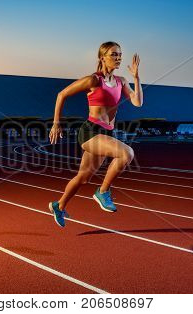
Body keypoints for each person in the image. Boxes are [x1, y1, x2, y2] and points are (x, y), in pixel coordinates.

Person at [48, 41, 143, 227]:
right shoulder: (93, 80)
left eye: (120, 54)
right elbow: (61, 94)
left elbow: (137, 102)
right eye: (113, 54)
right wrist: (55, 124)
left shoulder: (121, 81)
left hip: (106, 133)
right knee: (127, 153)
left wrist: (137, 78)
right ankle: (103, 191)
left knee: (83, 178)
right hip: (90, 132)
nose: (118, 58)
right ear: (102, 57)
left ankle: (58, 205)